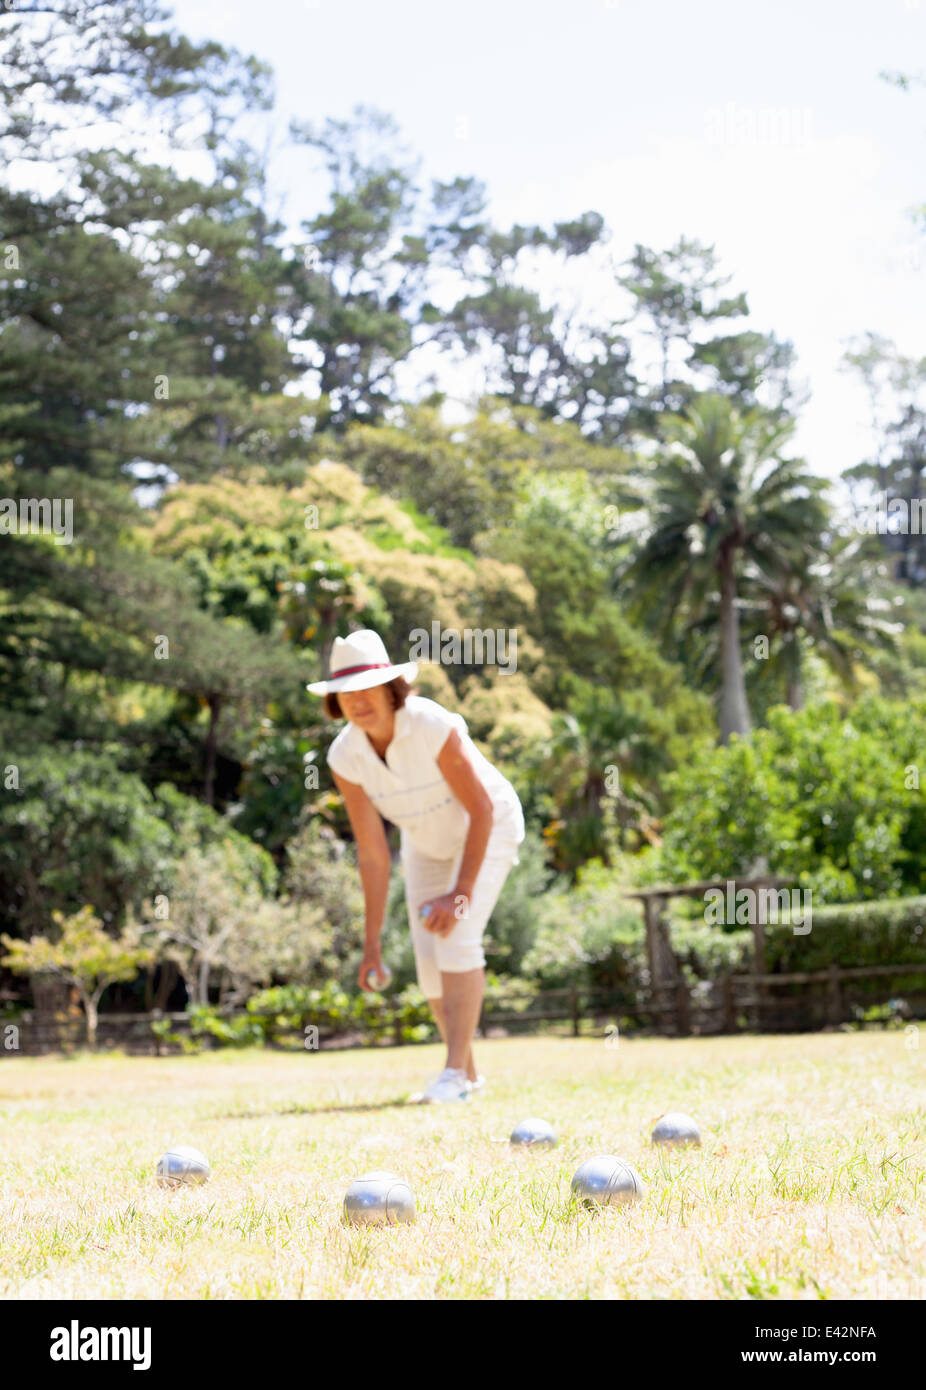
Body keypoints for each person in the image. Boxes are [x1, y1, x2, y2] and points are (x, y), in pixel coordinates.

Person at [307, 629, 525, 1102]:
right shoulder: (345, 756)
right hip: (425, 844)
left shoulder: (430, 724)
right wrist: (371, 946)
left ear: (391, 688)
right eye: (346, 693)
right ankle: (465, 1079)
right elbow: (372, 854)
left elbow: (481, 810)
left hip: (489, 828)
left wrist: (460, 893)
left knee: (457, 936)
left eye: (368, 688)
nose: (358, 702)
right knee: (428, 966)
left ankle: (450, 1076)